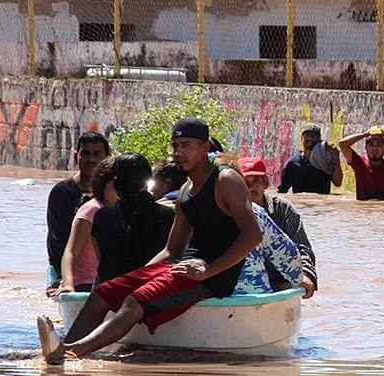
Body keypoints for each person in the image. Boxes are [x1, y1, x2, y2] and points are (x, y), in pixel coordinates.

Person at [37, 118, 261, 363]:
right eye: (175, 146)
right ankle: (64, 344)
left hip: (213, 278)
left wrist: (208, 271)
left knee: (134, 302)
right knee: (104, 292)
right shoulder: (186, 190)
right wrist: (136, 277)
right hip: (182, 267)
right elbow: (171, 249)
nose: (179, 153)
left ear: (205, 148)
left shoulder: (225, 180)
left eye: (187, 146)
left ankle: (68, 353)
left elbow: (252, 236)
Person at [90, 153, 175, 284]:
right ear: (147, 180)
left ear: (116, 184)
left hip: (110, 289)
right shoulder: (168, 215)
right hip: (152, 288)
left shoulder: (102, 216)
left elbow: (101, 257)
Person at [238, 156, 317, 296]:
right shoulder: (231, 210)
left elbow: (302, 248)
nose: (251, 188)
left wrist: (305, 275)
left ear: (266, 183)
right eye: (245, 182)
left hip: (281, 281)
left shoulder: (283, 208)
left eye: (256, 180)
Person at [46, 131, 110, 289]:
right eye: (85, 154)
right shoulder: (62, 193)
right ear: (76, 158)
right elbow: (58, 240)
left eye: (97, 153)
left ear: (108, 158)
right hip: (72, 270)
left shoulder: (113, 192)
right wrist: (63, 277)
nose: (91, 159)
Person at [56, 156, 118, 294]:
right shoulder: (92, 210)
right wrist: (68, 285)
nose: (121, 191)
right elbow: (70, 252)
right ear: (103, 184)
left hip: (106, 280)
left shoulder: (122, 209)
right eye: (116, 186)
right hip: (84, 283)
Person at [338, 125, 384, 200]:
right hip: (363, 210)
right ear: (366, 148)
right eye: (371, 145)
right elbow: (342, 144)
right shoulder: (359, 162)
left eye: (379, 144)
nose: (374, 148)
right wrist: (364, 134)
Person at [279, 124, 343, 194]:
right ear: (302, 139)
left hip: (322, 204)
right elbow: (283, 191)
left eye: (314, 136)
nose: (310, 138)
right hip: (300, 204)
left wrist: (336, 157)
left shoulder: (325, 161)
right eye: (307, 135)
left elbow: (337, 183)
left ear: (319, 140)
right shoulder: (292, 163)